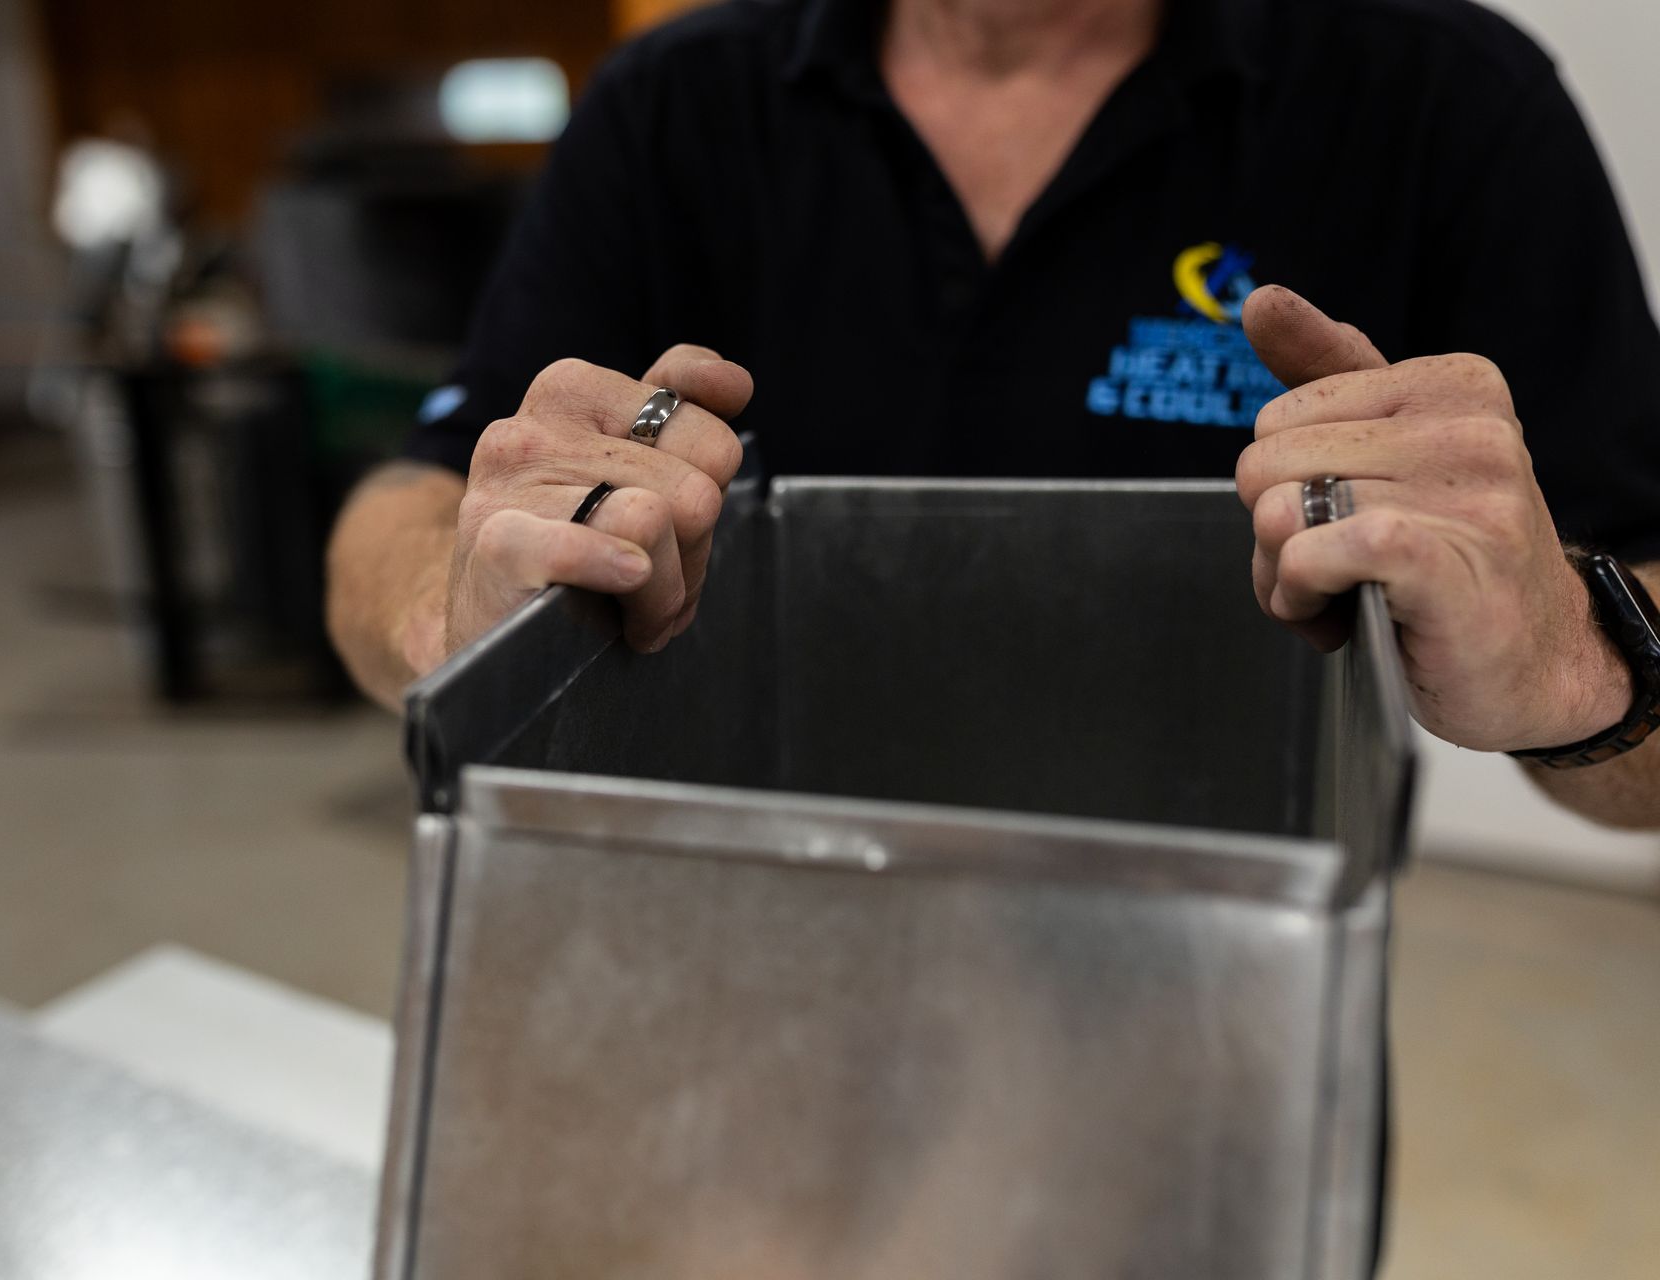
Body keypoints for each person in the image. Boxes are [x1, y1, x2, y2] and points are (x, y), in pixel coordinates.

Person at [327, 0, 1660, 828]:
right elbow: (409, 509)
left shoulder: (1445, 102)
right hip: (733, 975)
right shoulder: (673, 109)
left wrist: (1583, 675)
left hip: (1226, 1020)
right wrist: (456, 613)